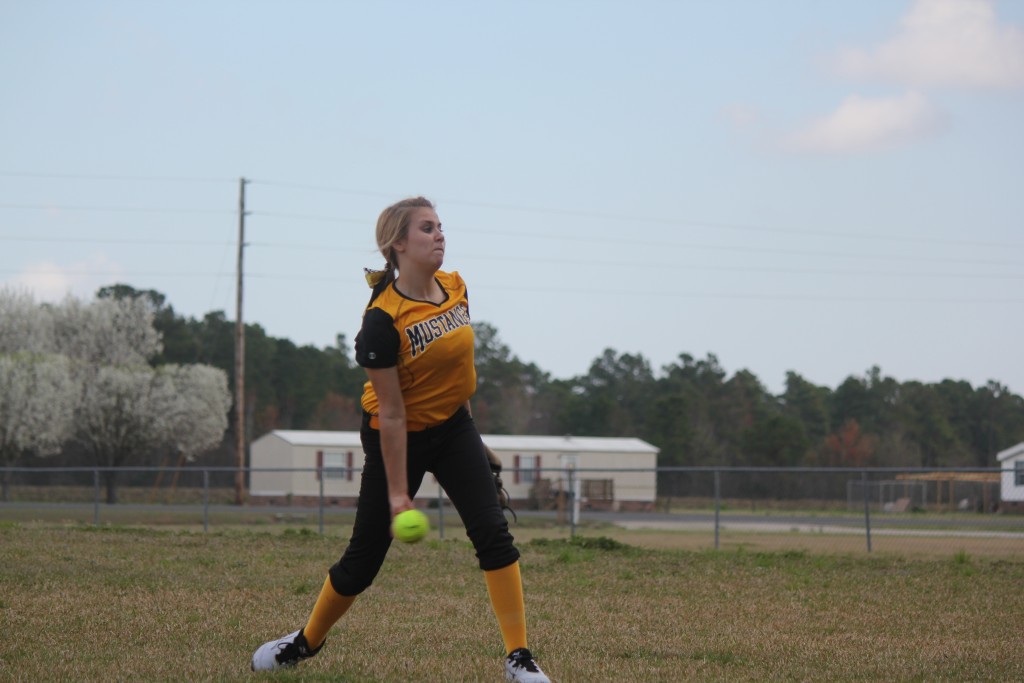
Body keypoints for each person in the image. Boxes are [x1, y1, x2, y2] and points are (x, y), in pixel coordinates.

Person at [251, 196, 551, 683]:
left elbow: (455, 374)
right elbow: (391, 414)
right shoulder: (382, 321)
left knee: (493, 535)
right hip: (397, 435)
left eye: (440, 226)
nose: (439, 235)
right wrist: (398, 497)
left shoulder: (456, 287)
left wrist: (474, 440)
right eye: (427, 228)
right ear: (398, 244)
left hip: (453, 427)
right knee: (361, 564)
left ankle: (519, 658)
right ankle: (304, 642)